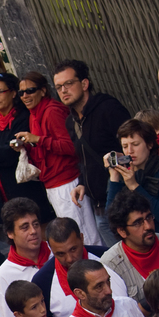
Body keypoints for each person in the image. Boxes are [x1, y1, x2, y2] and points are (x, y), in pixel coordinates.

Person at [15, 71, 100, 244]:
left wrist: (38, 139)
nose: (25, 96)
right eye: (21, 92)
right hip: (53, 184)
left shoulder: (52, 111)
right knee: (75, 237)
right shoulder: (34, 114)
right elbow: (44, 149)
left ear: (43, 91)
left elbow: (71, 147)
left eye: (30, 90)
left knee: (85, 238)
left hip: (67, 182)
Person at [53, 59, 131, 247]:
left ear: (85, 84)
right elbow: (84, 160)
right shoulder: (70, 122)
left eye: (69, 84)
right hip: (99, 208)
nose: (63, 90)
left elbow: (133, 150)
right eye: (58, 87)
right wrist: (82, 184)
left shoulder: (108, 109)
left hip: (124, 202)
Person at [0, 72, 53, 225]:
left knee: (35, 227)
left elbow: (13, 152)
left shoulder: (23, 117)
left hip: (24, 187)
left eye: (0, 92)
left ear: (13, 93)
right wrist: (1, 151)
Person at [104, 118, 159, 239]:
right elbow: (112, 219)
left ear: (150, 144)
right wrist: (114, 176)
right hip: (142, 245)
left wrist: (134, 186)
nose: (130, 151)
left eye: (135, 144)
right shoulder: (126, 173)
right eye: (125, 146)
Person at [30, 217, 127, 317]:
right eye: (60, 254)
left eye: (73, 249)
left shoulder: (108, 257)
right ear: (50, 248)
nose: (69, 259)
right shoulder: (42, 281)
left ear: (81, 238)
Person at [0, 198, 49, 317]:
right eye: (25, 227)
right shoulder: (4, 276)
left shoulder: (57, 253)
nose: (33, 231)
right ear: (10, 233)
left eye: (35, 224)